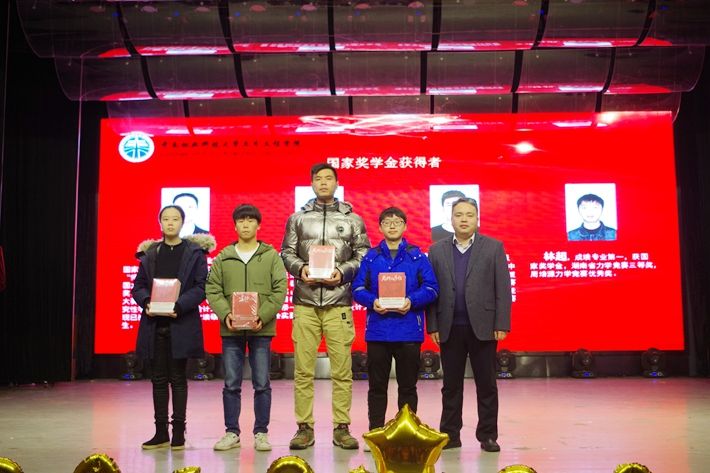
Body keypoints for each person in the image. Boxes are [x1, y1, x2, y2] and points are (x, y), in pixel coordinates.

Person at [281, 162, 370, 450]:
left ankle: (341, 427)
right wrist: (300, 269)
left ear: (336, 183)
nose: (323, 182)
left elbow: (363, 254)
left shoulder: (352, 219)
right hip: (305, 303)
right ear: (311, 183)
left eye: (328, 178)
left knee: (342, 371)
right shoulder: (297, 219)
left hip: (338, 303)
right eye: (318, 178)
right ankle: (304, 428)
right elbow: (286, 252)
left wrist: (342, 272)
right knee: (303, 371)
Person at [427, 197, 512, 452]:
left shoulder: (493, 247)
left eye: (469, 215)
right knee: (450, 385)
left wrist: (501, 322)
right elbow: (432, 291)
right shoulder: (436, 250)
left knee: (486, 385)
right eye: (459, 215)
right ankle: (450, 434)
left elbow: (503, 288)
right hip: (449, 326)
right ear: (451, 219)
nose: (464, 219)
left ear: (477, 218)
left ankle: (488, 435)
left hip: (484, 326)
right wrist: (433, 325)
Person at [352, 207, 439, 441]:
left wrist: (411, 301)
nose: (392, 225)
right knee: (377, 387)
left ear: (405, 226)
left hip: (408, 330)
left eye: (397, 221)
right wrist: (373, 301)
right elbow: (357, 289)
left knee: (408, 387)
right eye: (387, 222)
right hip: (378, 332)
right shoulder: (370, 257)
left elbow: (432, 288)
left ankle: (407, 433)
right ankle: (376, 433)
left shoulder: (417, 257)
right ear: (380, 227)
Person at [132, 205, 214, 450]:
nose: (170, 223)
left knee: (178, 378)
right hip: (154, 323)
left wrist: (179, 305)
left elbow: (201, 287)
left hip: (181, 322)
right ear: (160, 223)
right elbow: (138, 287)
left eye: (175, 219)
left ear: (182, 223)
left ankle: (178, 433)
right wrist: (146, 301)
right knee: (158, 379)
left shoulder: (194, 253)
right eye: (165, 219)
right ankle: (160, 433)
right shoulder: (150, 253)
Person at [206, 204, 287, 452]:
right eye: (241, 220)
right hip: (231, 330)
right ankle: (232, 432)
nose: (246, 224)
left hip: (261, 329)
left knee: (262, 383)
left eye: (251, 220)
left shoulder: (271, 256)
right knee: (231, 383)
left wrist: (262, 315)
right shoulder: (224, 256)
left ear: (258, 225)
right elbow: (212, 289)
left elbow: (280, 289)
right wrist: (226, 314)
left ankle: (261, 433)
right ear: (234, 225)